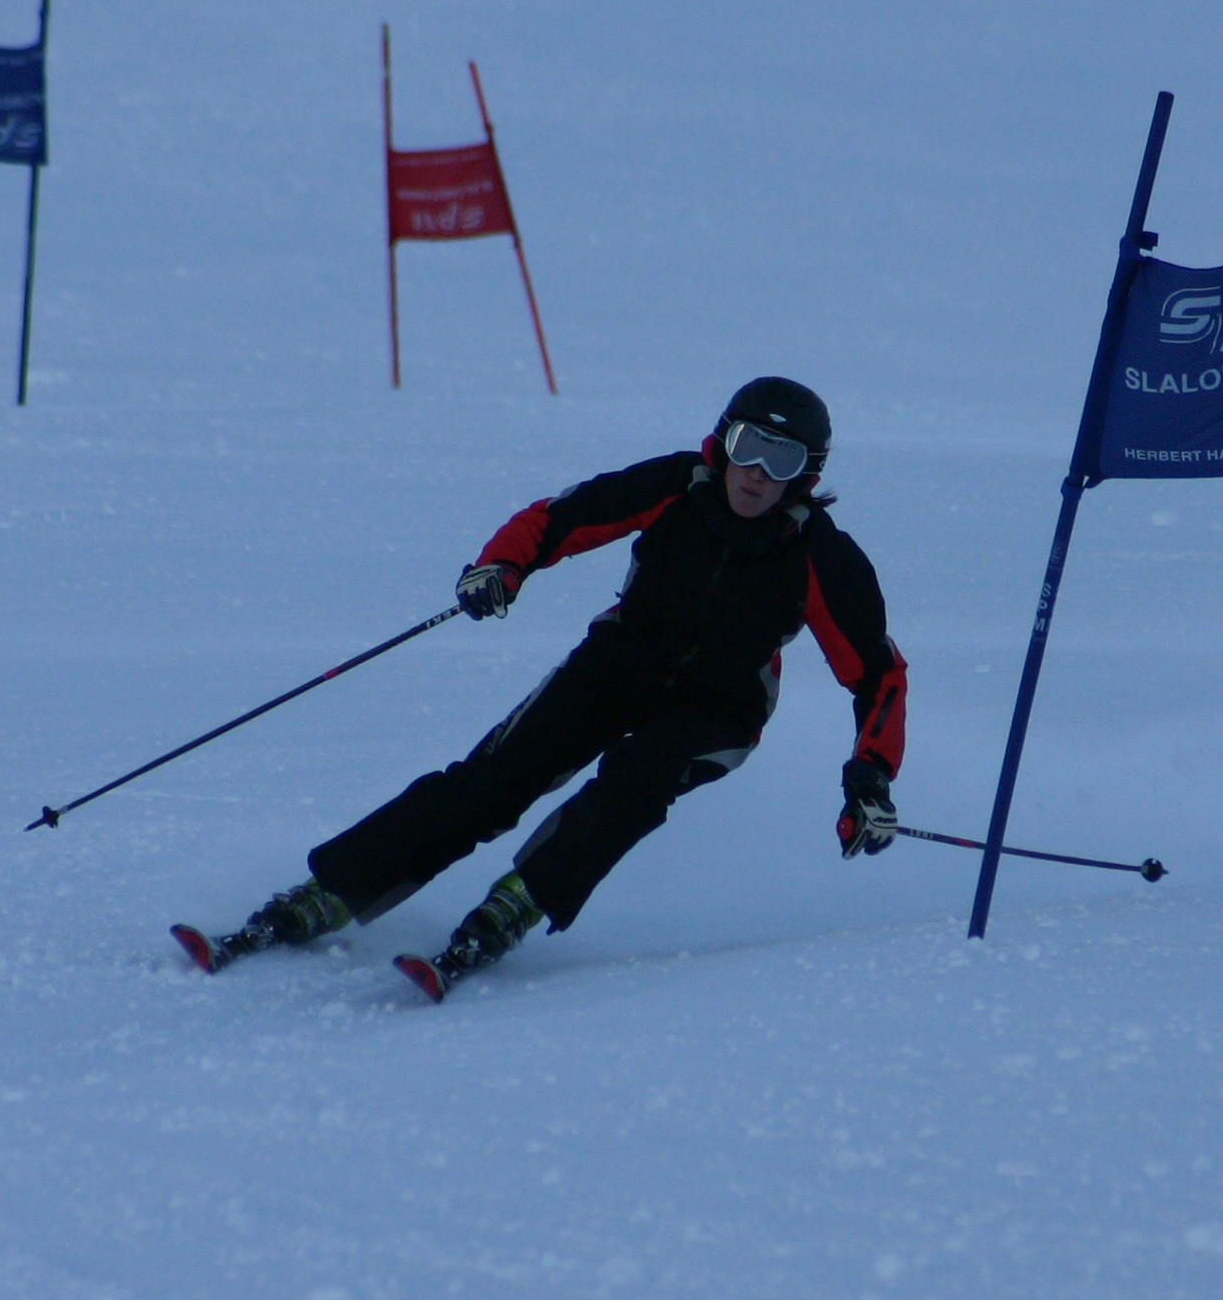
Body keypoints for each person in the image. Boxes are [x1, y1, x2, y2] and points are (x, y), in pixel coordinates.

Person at [175, 377, 906, 997]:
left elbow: (878, 676)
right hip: (619, 662)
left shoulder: (822, 558)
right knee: (493, 781)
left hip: (719, 708)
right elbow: (558, 519)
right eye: (748, 446)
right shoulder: (675, 487)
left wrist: (869, 780)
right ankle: (329, 892)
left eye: (782, 459)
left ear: (807, 474)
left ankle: (513, 907)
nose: (757, 473)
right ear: (723, 443)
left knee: (633, 787)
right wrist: (502, 567)